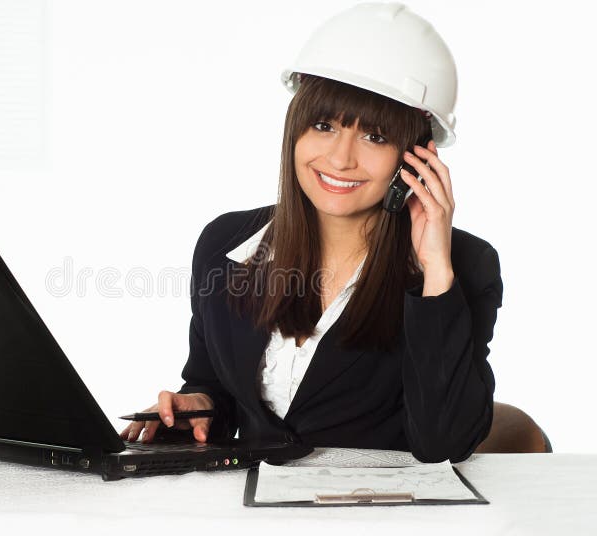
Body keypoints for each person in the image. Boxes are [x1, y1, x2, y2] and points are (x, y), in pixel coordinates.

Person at [120, 2, 503, 464]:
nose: (341, 159)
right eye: (323, 126)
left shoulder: (463, 266)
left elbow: (443, 443)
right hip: (249, 514)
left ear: (417, 156)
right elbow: (215, 385)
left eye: (375, 137)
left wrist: (435, 272)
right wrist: (199, 409)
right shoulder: (225, 245)